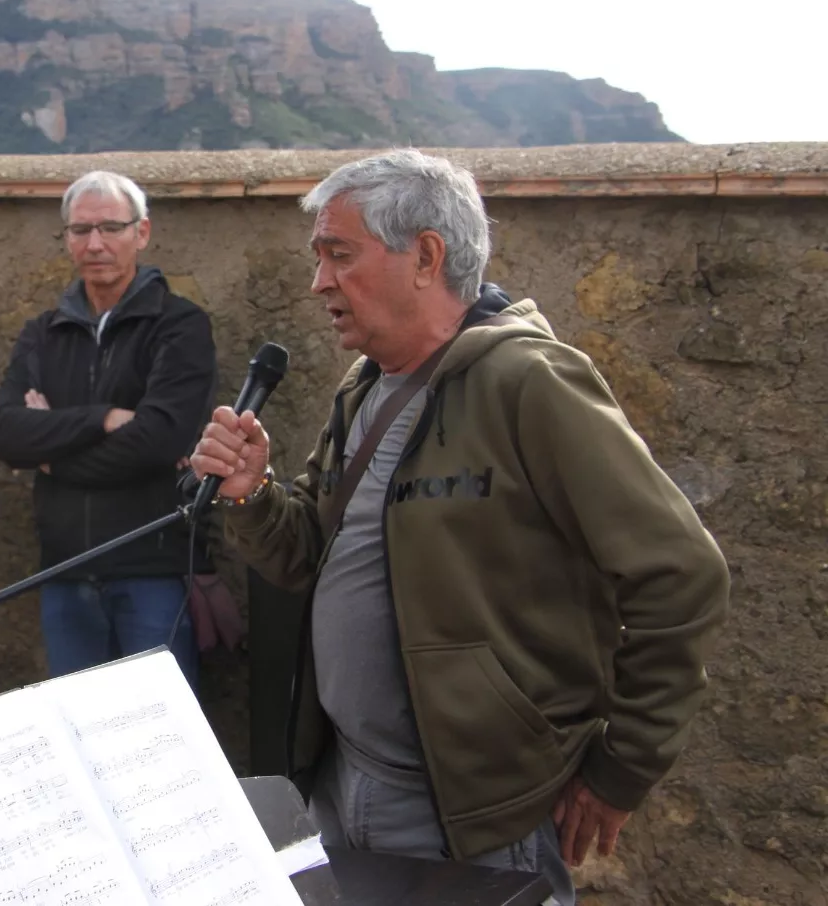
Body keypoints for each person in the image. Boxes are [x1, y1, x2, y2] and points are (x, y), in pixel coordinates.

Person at [187, 149, 730, 904]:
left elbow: (681, 576)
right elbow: (311, 553)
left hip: (476, 820)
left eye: (339, 255)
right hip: (345, 783)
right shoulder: (366, 386)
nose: (318, 283)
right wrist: (251, 493)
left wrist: (621, 769)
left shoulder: (531, 381)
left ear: (426, 256)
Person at [0, 170, 215, 688]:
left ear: (142, 233)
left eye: (111, 228)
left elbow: (161, 440)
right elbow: (5, 433)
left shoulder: (179, 325)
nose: (95, 243)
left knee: (161, 739)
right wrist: (103, 419)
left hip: (152, 568)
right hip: (65, 571)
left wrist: (50, 451)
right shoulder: (42, 334)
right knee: (78, 740)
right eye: (80, 230)